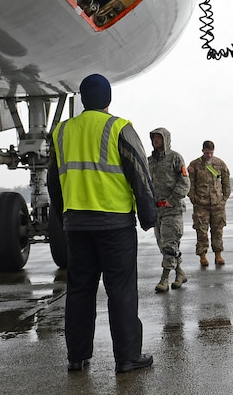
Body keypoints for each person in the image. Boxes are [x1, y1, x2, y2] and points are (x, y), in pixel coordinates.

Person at [47, 74, 156, 374]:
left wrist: (64, 217)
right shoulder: (119, 128)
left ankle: (76, 357)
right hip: (114, 225)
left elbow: (53, 183)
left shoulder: (62, 131)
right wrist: (149, 217)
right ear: (108, 99)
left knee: (80, 290)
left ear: (83, 99)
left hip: (77, 226)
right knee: (120, 291)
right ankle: (127, 358)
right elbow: (139, 173)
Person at [148, 128, 190, 293]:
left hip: (172, 210)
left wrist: (171, 201)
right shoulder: (150, 161)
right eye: (154, 138)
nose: (156, 140)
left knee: (169, 245)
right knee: (163, 246)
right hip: (157, 211)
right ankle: (180, 272)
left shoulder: (175, 158)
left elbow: (185, 182)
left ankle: (164, 279)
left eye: (159, 137)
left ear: (166, 139)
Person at [187, 140, 231, 266]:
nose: (209, 156)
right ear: (202, 151)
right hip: (201, 205)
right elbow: (189, 184)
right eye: (207, 153)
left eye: (211, 153)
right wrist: (193, 198)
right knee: (201, 231)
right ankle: (203, 256)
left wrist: (224, 199)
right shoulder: (194, 165)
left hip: (218, 204)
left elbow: (226, 182)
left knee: (218, 231)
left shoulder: (220, 164)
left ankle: (218, 255)